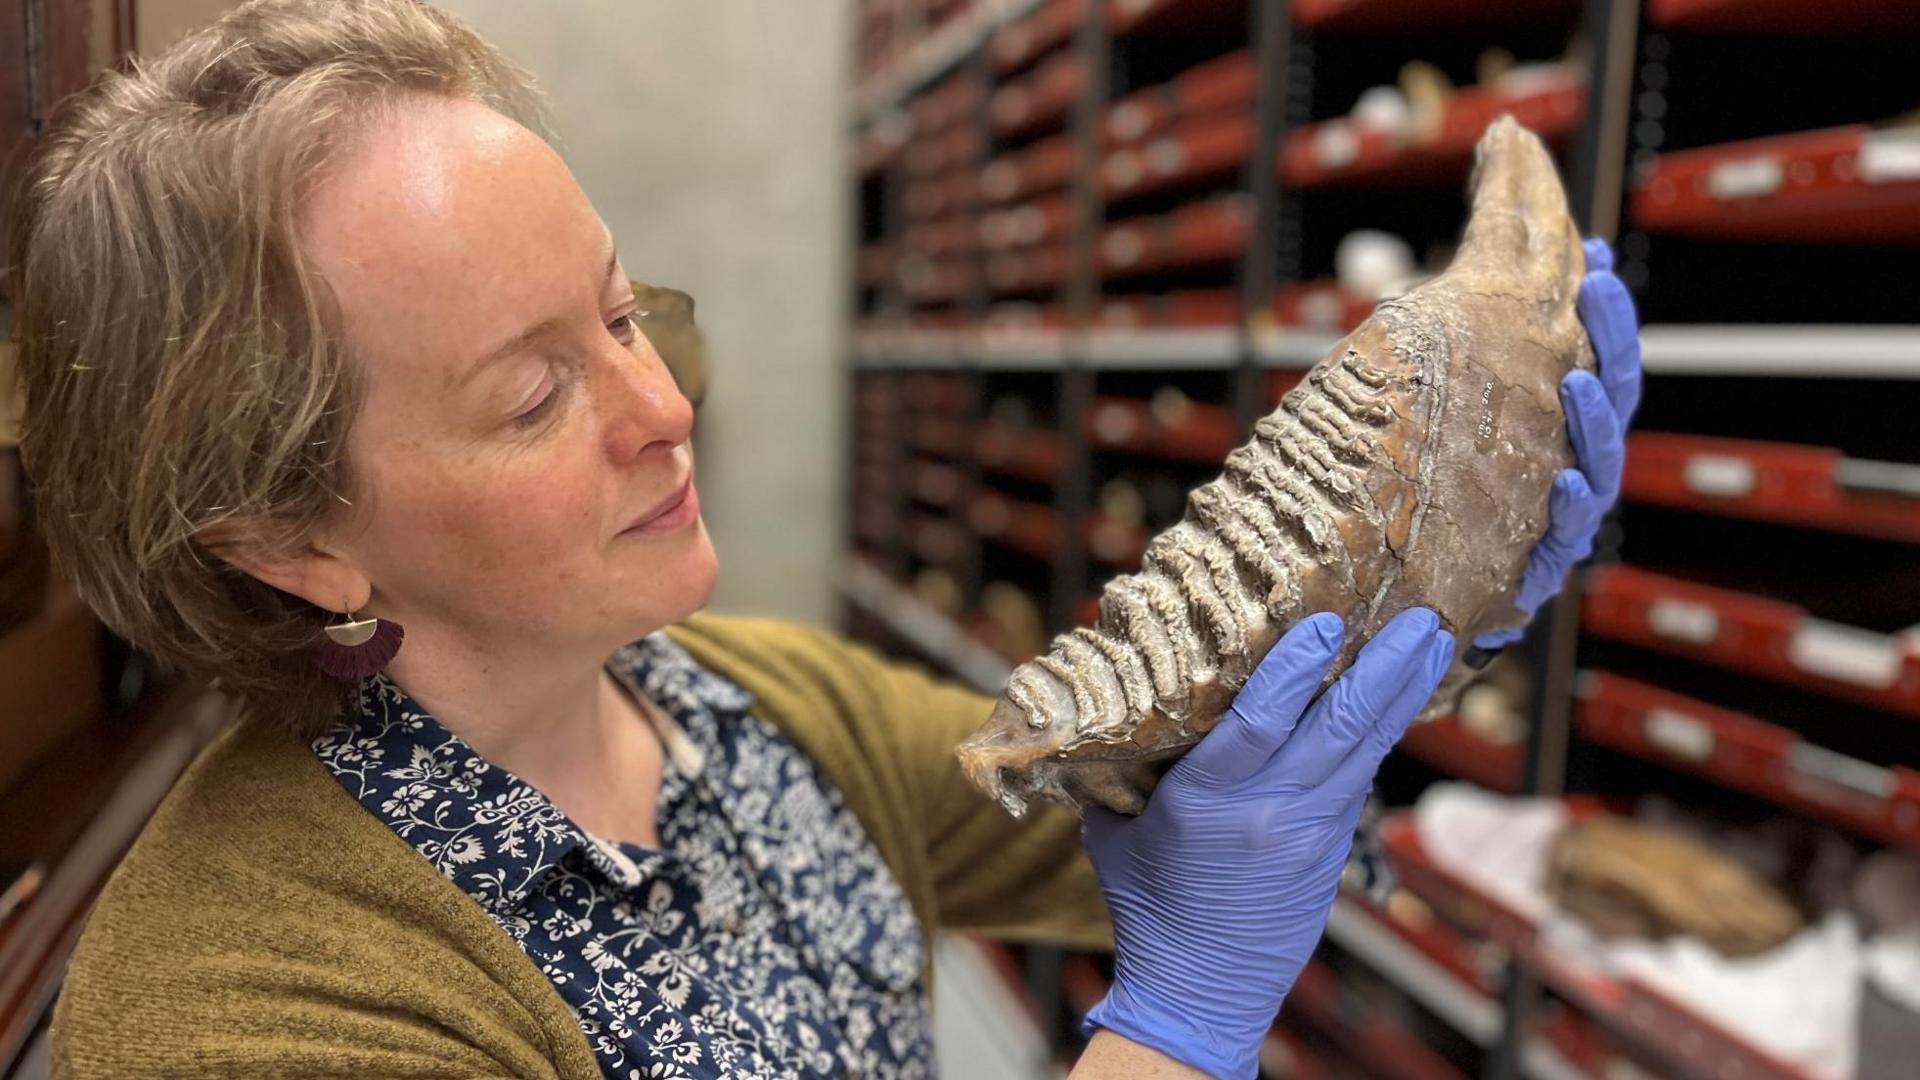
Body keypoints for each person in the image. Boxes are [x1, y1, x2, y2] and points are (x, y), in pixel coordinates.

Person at [7, 2, 1639, 1077]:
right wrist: (1175, 1025)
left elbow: (1212, 803)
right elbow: (1204, 934)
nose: (661, 405)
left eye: (625, 311)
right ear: (292, 541)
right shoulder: (240, 1011)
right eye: (529, 396)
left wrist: (1427, 596)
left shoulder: (743, 705)